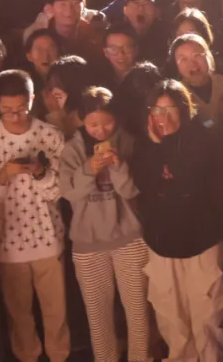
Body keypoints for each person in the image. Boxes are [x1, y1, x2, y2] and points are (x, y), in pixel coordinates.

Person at [133, 80, 223, 362]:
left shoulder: (203, 138)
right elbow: (144, 185)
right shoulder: (144, 145)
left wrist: (168, 153)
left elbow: (193, 181)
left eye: (171, 109)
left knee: (207, 316)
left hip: (202, 241)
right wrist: (156, 147)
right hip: (162, 244)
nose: (164, 117)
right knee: (171, 318)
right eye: (157, 110)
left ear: (184, 110)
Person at [58, 87, 149, 362]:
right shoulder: (72, 149)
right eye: (93, 124)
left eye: (107, 122)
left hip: (129, 238)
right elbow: (69, 193)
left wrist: (118, 166)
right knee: (98, 318)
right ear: (82, 121)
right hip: (89, 244)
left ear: (116, 119)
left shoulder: (129, 143)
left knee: (138, 312)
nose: (100, 130)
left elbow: (132, 191)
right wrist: (90, 168)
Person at [0, 69, 69, 362]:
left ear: (32, 99)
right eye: (7, 110)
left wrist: (39, 172)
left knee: (56, 311)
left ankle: (59, 355)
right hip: (7, 242)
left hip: (48, 237)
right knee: (19, 315)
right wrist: (3, 175)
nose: (15, 116)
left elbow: (61, 191)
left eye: (21, 108)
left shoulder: (50, 135)